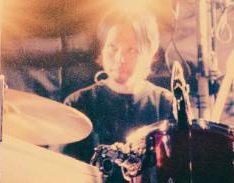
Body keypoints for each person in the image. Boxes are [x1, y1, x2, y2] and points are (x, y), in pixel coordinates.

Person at [62, 11, 177, 153]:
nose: (120, 59)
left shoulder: (166, 104)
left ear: (150, 54)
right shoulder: (78, 103)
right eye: (113, 48)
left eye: (132, 50)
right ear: (102, 50)